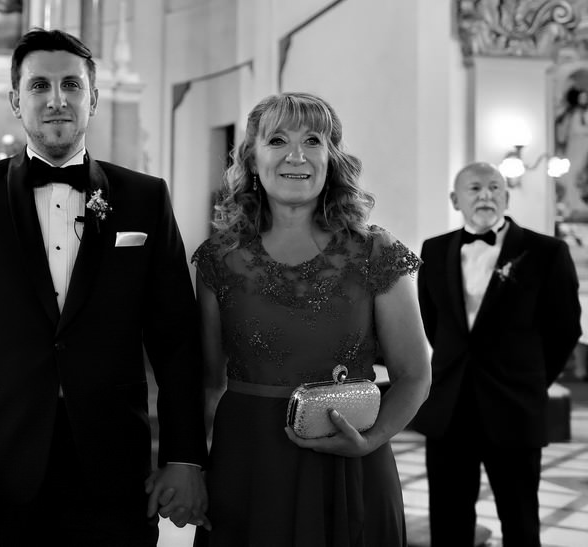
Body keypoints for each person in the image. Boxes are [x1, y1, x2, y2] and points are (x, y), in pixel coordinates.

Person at [0, 29, 208, 546]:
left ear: (92, 97)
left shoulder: (144, 198)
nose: (56, 99)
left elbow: (176, 340)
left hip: (114, 456)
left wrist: (184, 458)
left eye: (71, 84)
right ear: (16, 101)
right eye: (39, 86)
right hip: (4, 456)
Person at [192, 92, 431, 545]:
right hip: (247, 461)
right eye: (278, 139)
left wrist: (371, 440)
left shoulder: (374, 252)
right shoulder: (217, 260)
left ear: (331, 159)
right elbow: (208, 383)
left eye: (313, 141)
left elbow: (414, 374)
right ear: (252, 157)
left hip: (351, 458)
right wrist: (193, 468)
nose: (296, 155)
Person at [413, 161, 581, 546]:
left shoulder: (546, 251)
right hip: (449, 409)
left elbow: (565, 328)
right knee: (448, 518)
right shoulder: (433, 250)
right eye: (474, 188)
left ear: (506, 196)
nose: (485, 195)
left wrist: (531, 379)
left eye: (494, 188)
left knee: (520, 520)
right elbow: (433, 320)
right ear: (456, 199)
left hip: (514, 406)